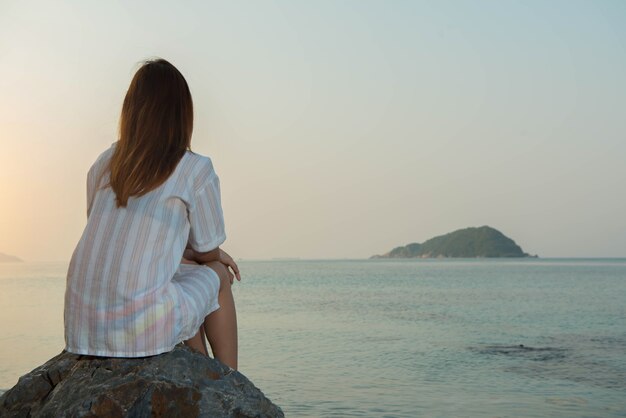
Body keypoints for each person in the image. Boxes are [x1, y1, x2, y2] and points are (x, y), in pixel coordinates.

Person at [63, 58, 240, 370]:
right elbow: (206, 249)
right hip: (139, 330)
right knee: (218, 275)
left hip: (83, 327)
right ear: (182, 114)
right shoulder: (194, 169)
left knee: (177, 276)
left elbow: (113, 233)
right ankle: (230, 381)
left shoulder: (104, 163)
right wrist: (214, 255)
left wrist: (184, 255)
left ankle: (202, 368)